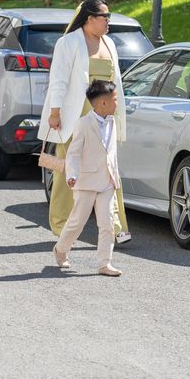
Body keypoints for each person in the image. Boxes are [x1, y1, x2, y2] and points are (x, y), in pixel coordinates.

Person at [37, 0, 131, 243]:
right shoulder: (68, 43)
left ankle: (116, 227)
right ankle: (60, 225)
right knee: (68, 169)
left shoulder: (109, 43)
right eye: (104, 17)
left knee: (110, 169)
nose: (108, 22)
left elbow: (115, 82)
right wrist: (55, 112)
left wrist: (118, 110)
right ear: (89, 19)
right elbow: (58, 80)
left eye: (109, 17)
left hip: (104, 116)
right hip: (77, 116)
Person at [53, 80, 123, 276]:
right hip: (85, 181)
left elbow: (111, 153)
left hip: (107, 181)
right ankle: (61, 249)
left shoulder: (113, 122)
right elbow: (74, 153)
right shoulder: (83, 124)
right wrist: (72, 175)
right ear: (102, 103)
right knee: (77, 222)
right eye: (114, 100)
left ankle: (104, 263)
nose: (117, 104)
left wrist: (115, 176)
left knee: (107, 223)